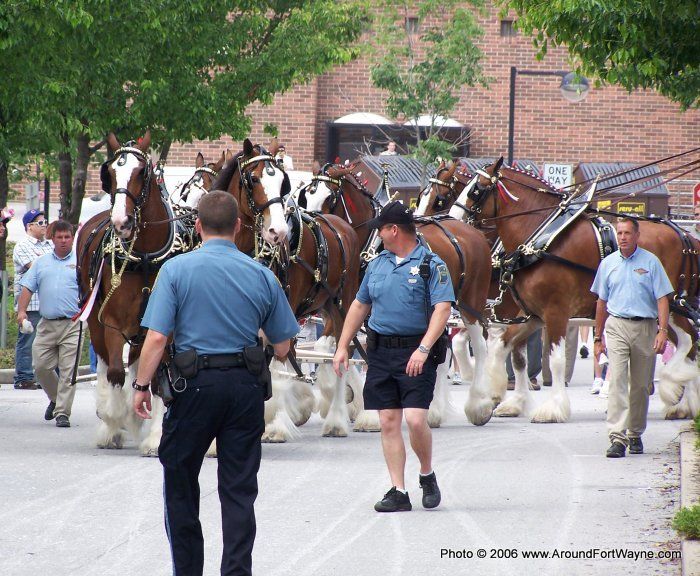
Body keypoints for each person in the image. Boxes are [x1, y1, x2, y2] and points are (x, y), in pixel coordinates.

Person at [132, 190, 298, 576]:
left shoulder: (175, 270)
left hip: (193, 388)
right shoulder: (262, 274)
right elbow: (283, 346)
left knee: (180, 482)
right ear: (238, 226)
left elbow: (157, 338)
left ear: (197, 226)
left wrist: (141, 386)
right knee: (239, 490)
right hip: (245, 388)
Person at [332, 200, 454, 512]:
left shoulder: (431, 264)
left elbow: (443, 309)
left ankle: (426, 473)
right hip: (382, 351)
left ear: (394, 230)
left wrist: (423, 349)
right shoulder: (376, 264)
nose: (378, 235)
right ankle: (398, 490)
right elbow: (360, 305)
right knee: (388, 421)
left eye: (381, 229)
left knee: (415, 419)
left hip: (416, 351)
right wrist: (342, 345)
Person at [591, 217, 673, 458]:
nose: (622, 237)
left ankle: (635, 432)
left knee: (640, 385)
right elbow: (601, 302)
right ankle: (617, 437)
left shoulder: (651, 262)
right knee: (617, 380)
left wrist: (663, 330)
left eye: (627, 233)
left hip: (645, 327)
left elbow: (662, 298)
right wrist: (597, 337)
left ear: (637, 236)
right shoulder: (608, 264)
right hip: (617, 325)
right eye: (619, 233)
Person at [17, 220, 81, 428]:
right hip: (46, 324)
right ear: (52, 239)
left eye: (67, 237)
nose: (63, 241)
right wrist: (21, 311)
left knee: (68, 371)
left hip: (73, 324)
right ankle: (55, 399)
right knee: (40, 366)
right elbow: (27, 287)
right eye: (59, 237)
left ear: (72, 238)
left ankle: (63, 412)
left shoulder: (81, 262)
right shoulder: (41, 262)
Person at [13, 209, 53, 390]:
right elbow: (37, 268)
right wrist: (48, 262)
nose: (45, 225)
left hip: (49, 301)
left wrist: (43, 260)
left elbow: (55, 265)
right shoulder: (22, 246)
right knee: (28, 341)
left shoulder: (49, 245)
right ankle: (24, 377)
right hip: (30, 302)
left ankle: (45, 378)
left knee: (49, 342)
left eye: (45, 222)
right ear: (29, 226)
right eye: (40, 223)